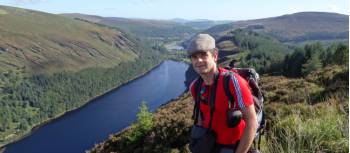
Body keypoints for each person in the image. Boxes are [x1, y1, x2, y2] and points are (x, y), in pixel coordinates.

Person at [188, 34, 258, 153]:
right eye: (194, 57)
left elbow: (252, 123)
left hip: (234, 147)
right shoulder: (195, 86)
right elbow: (200, 119)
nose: (198, 60)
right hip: (210, 146)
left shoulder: (233, 82)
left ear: (215, 55)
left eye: (204, 55)